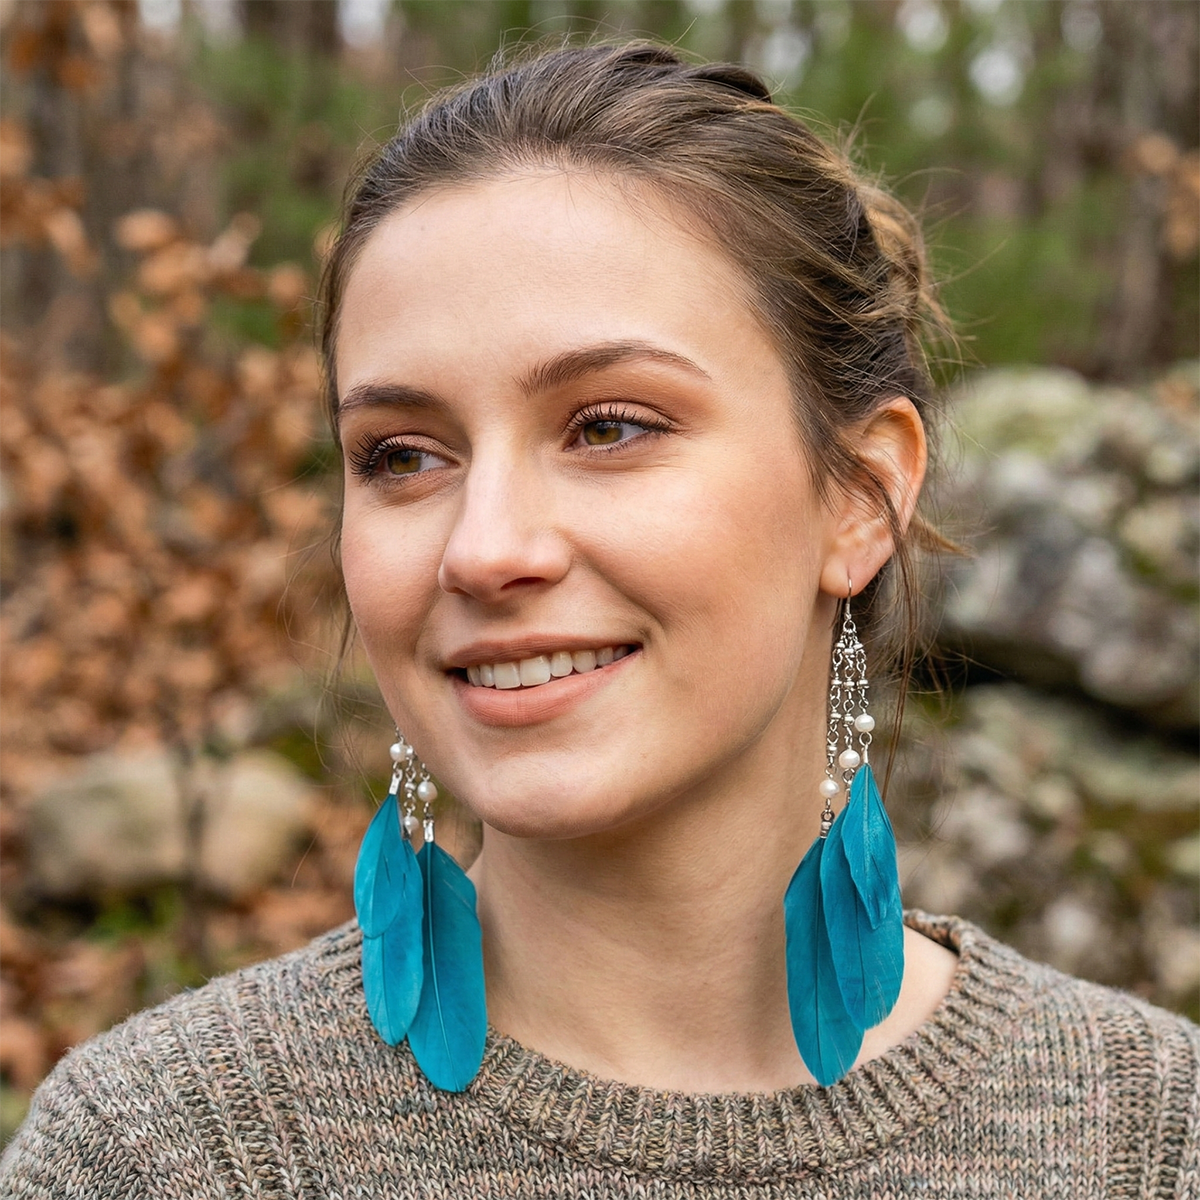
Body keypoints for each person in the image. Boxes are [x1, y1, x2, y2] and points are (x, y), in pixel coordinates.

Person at [3, 39, 1198, 1200]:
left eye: (609, 426)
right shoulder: (165, 1153)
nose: (485, 549)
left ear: (859, 495)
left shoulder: (1147, 1136)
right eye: (403, 455)